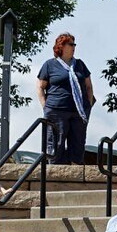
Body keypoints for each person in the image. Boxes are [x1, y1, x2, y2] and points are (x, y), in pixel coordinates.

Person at [36, 33, 95, 166]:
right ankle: (55, 171)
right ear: (61, 46)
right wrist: (45, 106)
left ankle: (76, 169)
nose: (74, 47)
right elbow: (40, 87)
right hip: (56, 110)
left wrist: (88, 106)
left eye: (74, 44)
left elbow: (89, 86)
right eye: (71, 44)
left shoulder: (80, 64)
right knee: (56, 144)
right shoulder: (50, 64)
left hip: (78, 112)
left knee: (78, 144)